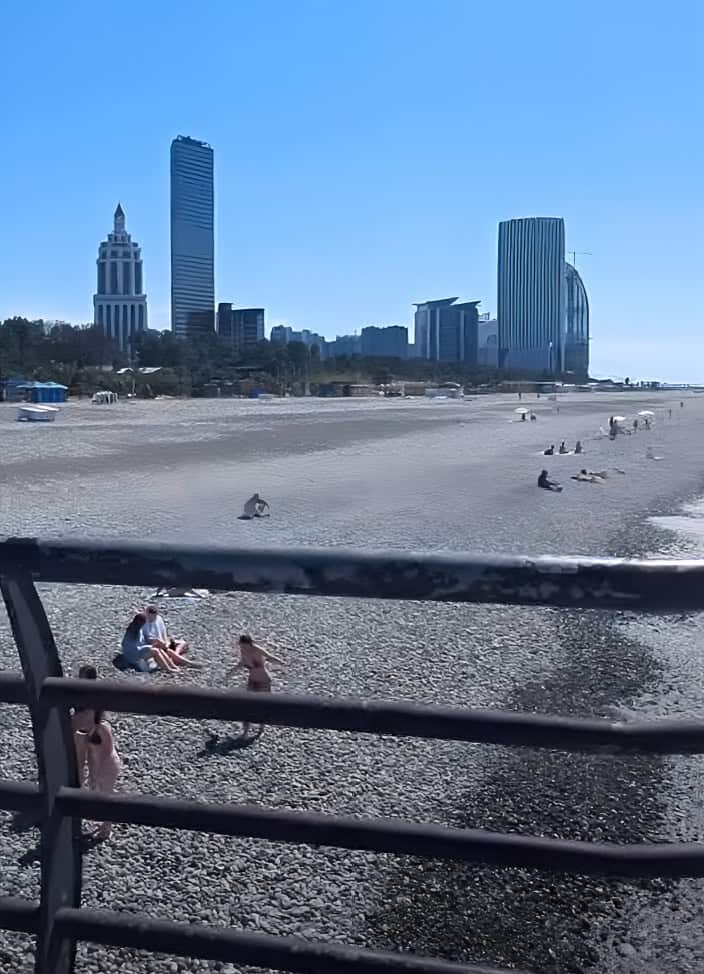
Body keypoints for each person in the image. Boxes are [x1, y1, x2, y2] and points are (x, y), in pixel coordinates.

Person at [72, 665, 121, 840]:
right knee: (101, 794)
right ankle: (104, 827)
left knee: (105, 796)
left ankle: (107, 829)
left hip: (108, 766)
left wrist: (93, 775)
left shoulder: (102, 729)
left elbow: (104, 755)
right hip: (104, 764)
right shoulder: (91, 729)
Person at [234, 634, 285, 739]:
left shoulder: (257, 650)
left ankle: (261, 729)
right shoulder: (243, 651)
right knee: (247, 705)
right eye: (241, 645)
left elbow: (269, 656)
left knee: (262, 705)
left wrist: (281, 662)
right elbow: (242, 663)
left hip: (264, 681)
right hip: (252, 680)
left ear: (249, 643)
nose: (242, 647)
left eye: (244, 645)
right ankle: (245, 731)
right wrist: (230, 673)